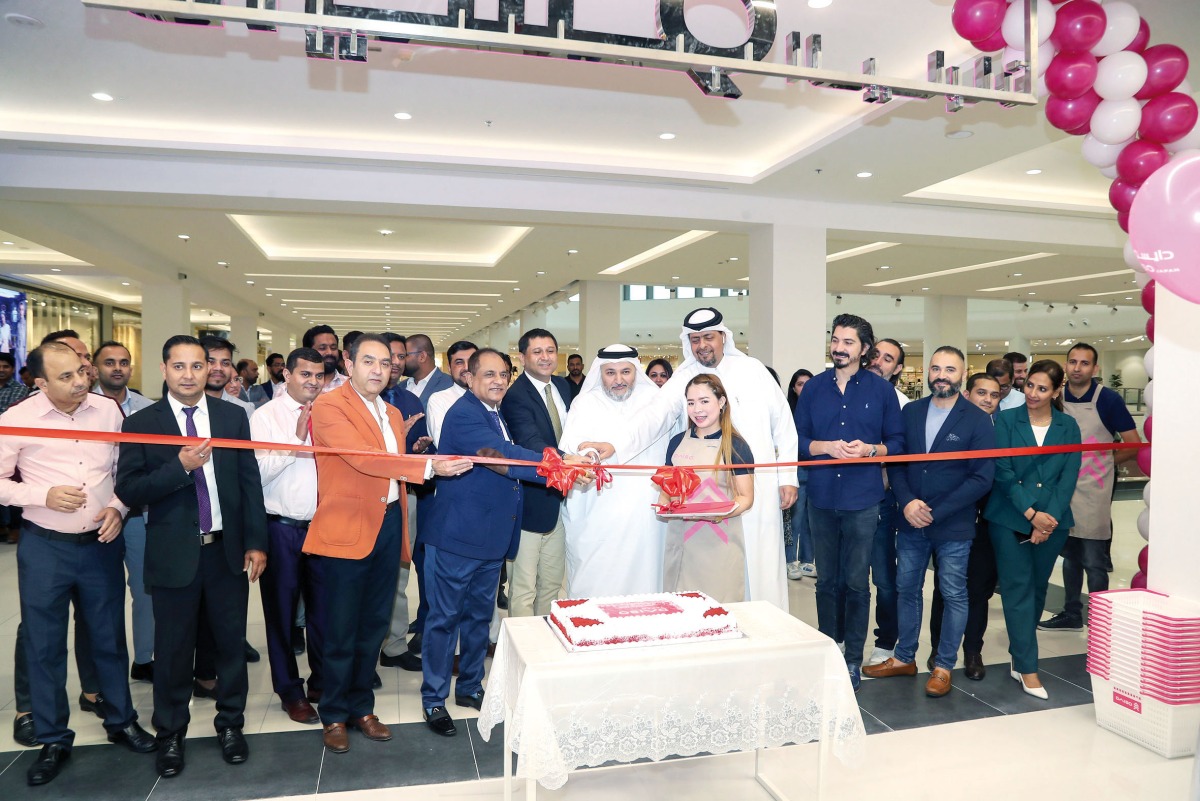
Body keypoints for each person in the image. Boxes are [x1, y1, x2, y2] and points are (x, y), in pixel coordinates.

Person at [301, 334, 470, 754]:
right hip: (346, 529)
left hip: (388, 523)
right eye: (368, 361)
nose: (377, 369)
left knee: (374, 624)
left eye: (384, 363)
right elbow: (364, 458)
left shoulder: (393, 412)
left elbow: (388, 468)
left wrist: (421, 462)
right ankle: (335, 714)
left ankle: (362, 708)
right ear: (349, 363)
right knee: (341, 627)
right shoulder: (328, 406)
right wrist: (429, 466)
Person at [0, 342, 157, 786]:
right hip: (45, 547)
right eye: (65, 377)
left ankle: (121, 721)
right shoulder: (15, 421)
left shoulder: (107, 411)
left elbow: (125, 468)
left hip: (100, 544)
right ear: (40, 383)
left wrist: (119, 506)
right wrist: (39, 495)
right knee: (44, 644)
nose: (80, 383)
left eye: (81, 373)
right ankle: (52, 737)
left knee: (108, 636)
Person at [116, 334, 270, 778]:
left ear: (210, 370)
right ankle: (170, 734)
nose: (189, 375)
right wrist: (180, 467)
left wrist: (255, 542)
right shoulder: (142, 422)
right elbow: (130, 489)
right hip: (173, 555)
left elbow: (248, 484)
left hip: (225, 551)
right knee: (174, 651)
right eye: (179, 366)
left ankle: (231, 725)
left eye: (197, 366)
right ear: (164, 370)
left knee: (229, 646)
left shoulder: (230, 418)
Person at [420, 348, 592, 737]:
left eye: (503, 375)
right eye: (488, 375)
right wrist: (560, 464)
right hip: (457, 537)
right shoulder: (464, 415)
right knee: (445, 619)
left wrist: (561, 462)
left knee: (480, 617)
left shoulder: (495, 414)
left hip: (491, 537)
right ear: (468, 378)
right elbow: (504, 458)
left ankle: (468, 688)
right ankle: (433, 698)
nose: (497, 381)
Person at [584, 308, 798, 611]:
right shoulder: (685, 377)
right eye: (695, 339)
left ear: (723, 337)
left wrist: (787, 476)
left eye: (708, 337)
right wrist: (614, 445)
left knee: (760, 566)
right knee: (713, 572)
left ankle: (767, 631)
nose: (701, 346)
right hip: (709, 494)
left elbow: (784, 425)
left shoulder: (753, 370)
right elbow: (652, 420)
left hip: (755, 489)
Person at [862, 347, 995, 698]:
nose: (941, 375)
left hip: (953, 524)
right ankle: (904, 657)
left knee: (952, 593)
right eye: (936, 368)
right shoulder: (911, 411)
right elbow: (898, 461)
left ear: (962, 375)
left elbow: (981, 478)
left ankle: (943, 665)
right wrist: (907, 503)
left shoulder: (977, 419)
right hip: (910, 521)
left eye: (950, 369)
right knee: (907, 589)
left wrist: (934, 510)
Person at [794, 313, 904, 690]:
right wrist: (825, 447)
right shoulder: (814, 389)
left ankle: (853, 658)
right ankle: (829, 648)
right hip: (822, 497)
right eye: (835, 340)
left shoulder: (881, 392)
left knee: (857, 583)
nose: (839, 348)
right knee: (827, 582)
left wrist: (872, 450)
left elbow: (899, 444)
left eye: (848, 342)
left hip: (863, 500)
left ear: (865, 350)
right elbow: (797, 441)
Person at [984, 359, 1081, 700]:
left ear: (1056, 391)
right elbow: (1003, 470)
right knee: (1017, 589)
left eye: (1043, 388)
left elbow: (1068, 476)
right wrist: (1030, 515)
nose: (1033, 394)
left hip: (1052, 522)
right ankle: (1028, 667)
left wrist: (1046, 519)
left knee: (1038, 590)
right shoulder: (1007, 420)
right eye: (1030, 386)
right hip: (1010, 518)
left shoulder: (1068, 426)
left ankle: (1018, 653)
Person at [1039, 343, 1140, 632]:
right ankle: (1072, 614)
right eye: (1073, 362)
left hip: (1093, 487)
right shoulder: (1057, 397)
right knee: (1070, 554)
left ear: (1095, 369)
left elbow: (1132, 443)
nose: (1077, 368)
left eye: (1085, 363)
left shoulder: (1107, 400)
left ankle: (1102, 620)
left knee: (1094, 559)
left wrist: (1105, 462)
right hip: (1061, 488)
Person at [251, 347, 326, 726]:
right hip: (281, 527)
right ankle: (289, 691)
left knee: (323, 612)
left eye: (318, 375)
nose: (312, 381)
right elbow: (257, 476)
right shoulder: (265, 416)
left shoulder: (330, 414)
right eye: (304, 374)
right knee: (281, 615)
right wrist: (296, 441)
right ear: (286, 376)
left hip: (324, 528)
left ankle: (319, 682)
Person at [560, 345, 668, 596]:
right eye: (610, 373)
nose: (619, 380)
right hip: (597, 507)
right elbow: (571, 443)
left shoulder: (654, 402)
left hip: (644, 508)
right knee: (597, 571)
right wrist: (587, 454)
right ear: (600, 373)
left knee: (645, 572)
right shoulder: (585, 402)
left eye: (625, 372)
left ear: (635, 372)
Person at [927, 372, 1003, 680]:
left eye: (994, 394)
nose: (987, 399)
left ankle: (973, 651)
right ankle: (938, 649)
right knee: (945, 589)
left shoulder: (1002, 430)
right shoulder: (953, 428)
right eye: (981, 392)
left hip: (987, 523)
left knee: (978, 591)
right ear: (967, 394)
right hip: (951, 519)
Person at [659, 373, 755, 603]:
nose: (697, 409)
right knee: (680, 610)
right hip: (680, 543)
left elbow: (746, 497)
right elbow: (666, 488)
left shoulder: (736, 445)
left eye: (704, 401)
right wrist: (664, 505)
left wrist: (720, 513)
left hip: (718, 545)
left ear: (721, 402)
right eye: (691, 403)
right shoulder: (676, 442)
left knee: (717, 611)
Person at [93, 341, 156, 682]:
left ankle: (144, 657)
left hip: (135, 513)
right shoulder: (81, 406)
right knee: (102, 595)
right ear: (95, 368)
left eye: (123, 362)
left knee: (144, 589)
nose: (117, 368)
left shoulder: (148, 410)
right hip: (93, 516)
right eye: (109, 362)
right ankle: (104, 671)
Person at [500, 328, 574, 617]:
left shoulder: (563, 386)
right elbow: (531, 443)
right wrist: (571, 459)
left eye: (550, 351)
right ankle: (522, 654)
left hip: (560, 501)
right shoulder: (515, 396)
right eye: (537, 352)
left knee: (552, 585)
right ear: (522, 357)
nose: (545, 357)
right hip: (529, 504)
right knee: (523, 587)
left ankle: (547, 644)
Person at [378, 332, 433, 674]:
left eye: (400, 357)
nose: (396, 364)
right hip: (369, 499)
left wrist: (417, 450)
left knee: (399, 574)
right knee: (369, 578)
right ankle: (366, 651)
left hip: (407, 496)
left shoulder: (410, 401)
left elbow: (416, 454)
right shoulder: (357, 402)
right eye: (388, 358)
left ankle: (394, 644)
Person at [862, 338, 910, 665]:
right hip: (843, 500)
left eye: (888, 358)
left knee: (884, 578)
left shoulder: (903, 404)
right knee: (845, 577)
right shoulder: (849, 393)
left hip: (882, 499)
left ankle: (886, 641)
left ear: (898, 368)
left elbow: (903, 453)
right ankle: (842, 639)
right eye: (876, 354)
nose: (879, 362)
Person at [785, 369, 816, 581]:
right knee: (794, 521)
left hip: (817, 471)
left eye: (808, 383)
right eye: (799, 384)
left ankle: (807, 560)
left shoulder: (820, 408)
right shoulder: (787, 411)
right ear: (793, 388)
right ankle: (790, 561)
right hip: (796, 472)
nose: (803, 388)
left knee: (811, 521)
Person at [0, 351, 30, 545]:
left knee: (11, 484)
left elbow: (10, 417)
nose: (1, 370)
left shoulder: (20, 391)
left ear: (12, 369)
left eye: (6, 367)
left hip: (10, 443)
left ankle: (15, 528)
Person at [199, 336, 256, 421]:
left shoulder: (243, 410)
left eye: (225, 363)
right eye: (211, 362)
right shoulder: (184, 406)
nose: (218, 368)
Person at [404, 333, 453, 404]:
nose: (400, 361)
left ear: (422, 357)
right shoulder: (400, 387)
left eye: (404, 355)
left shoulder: (450, 385)